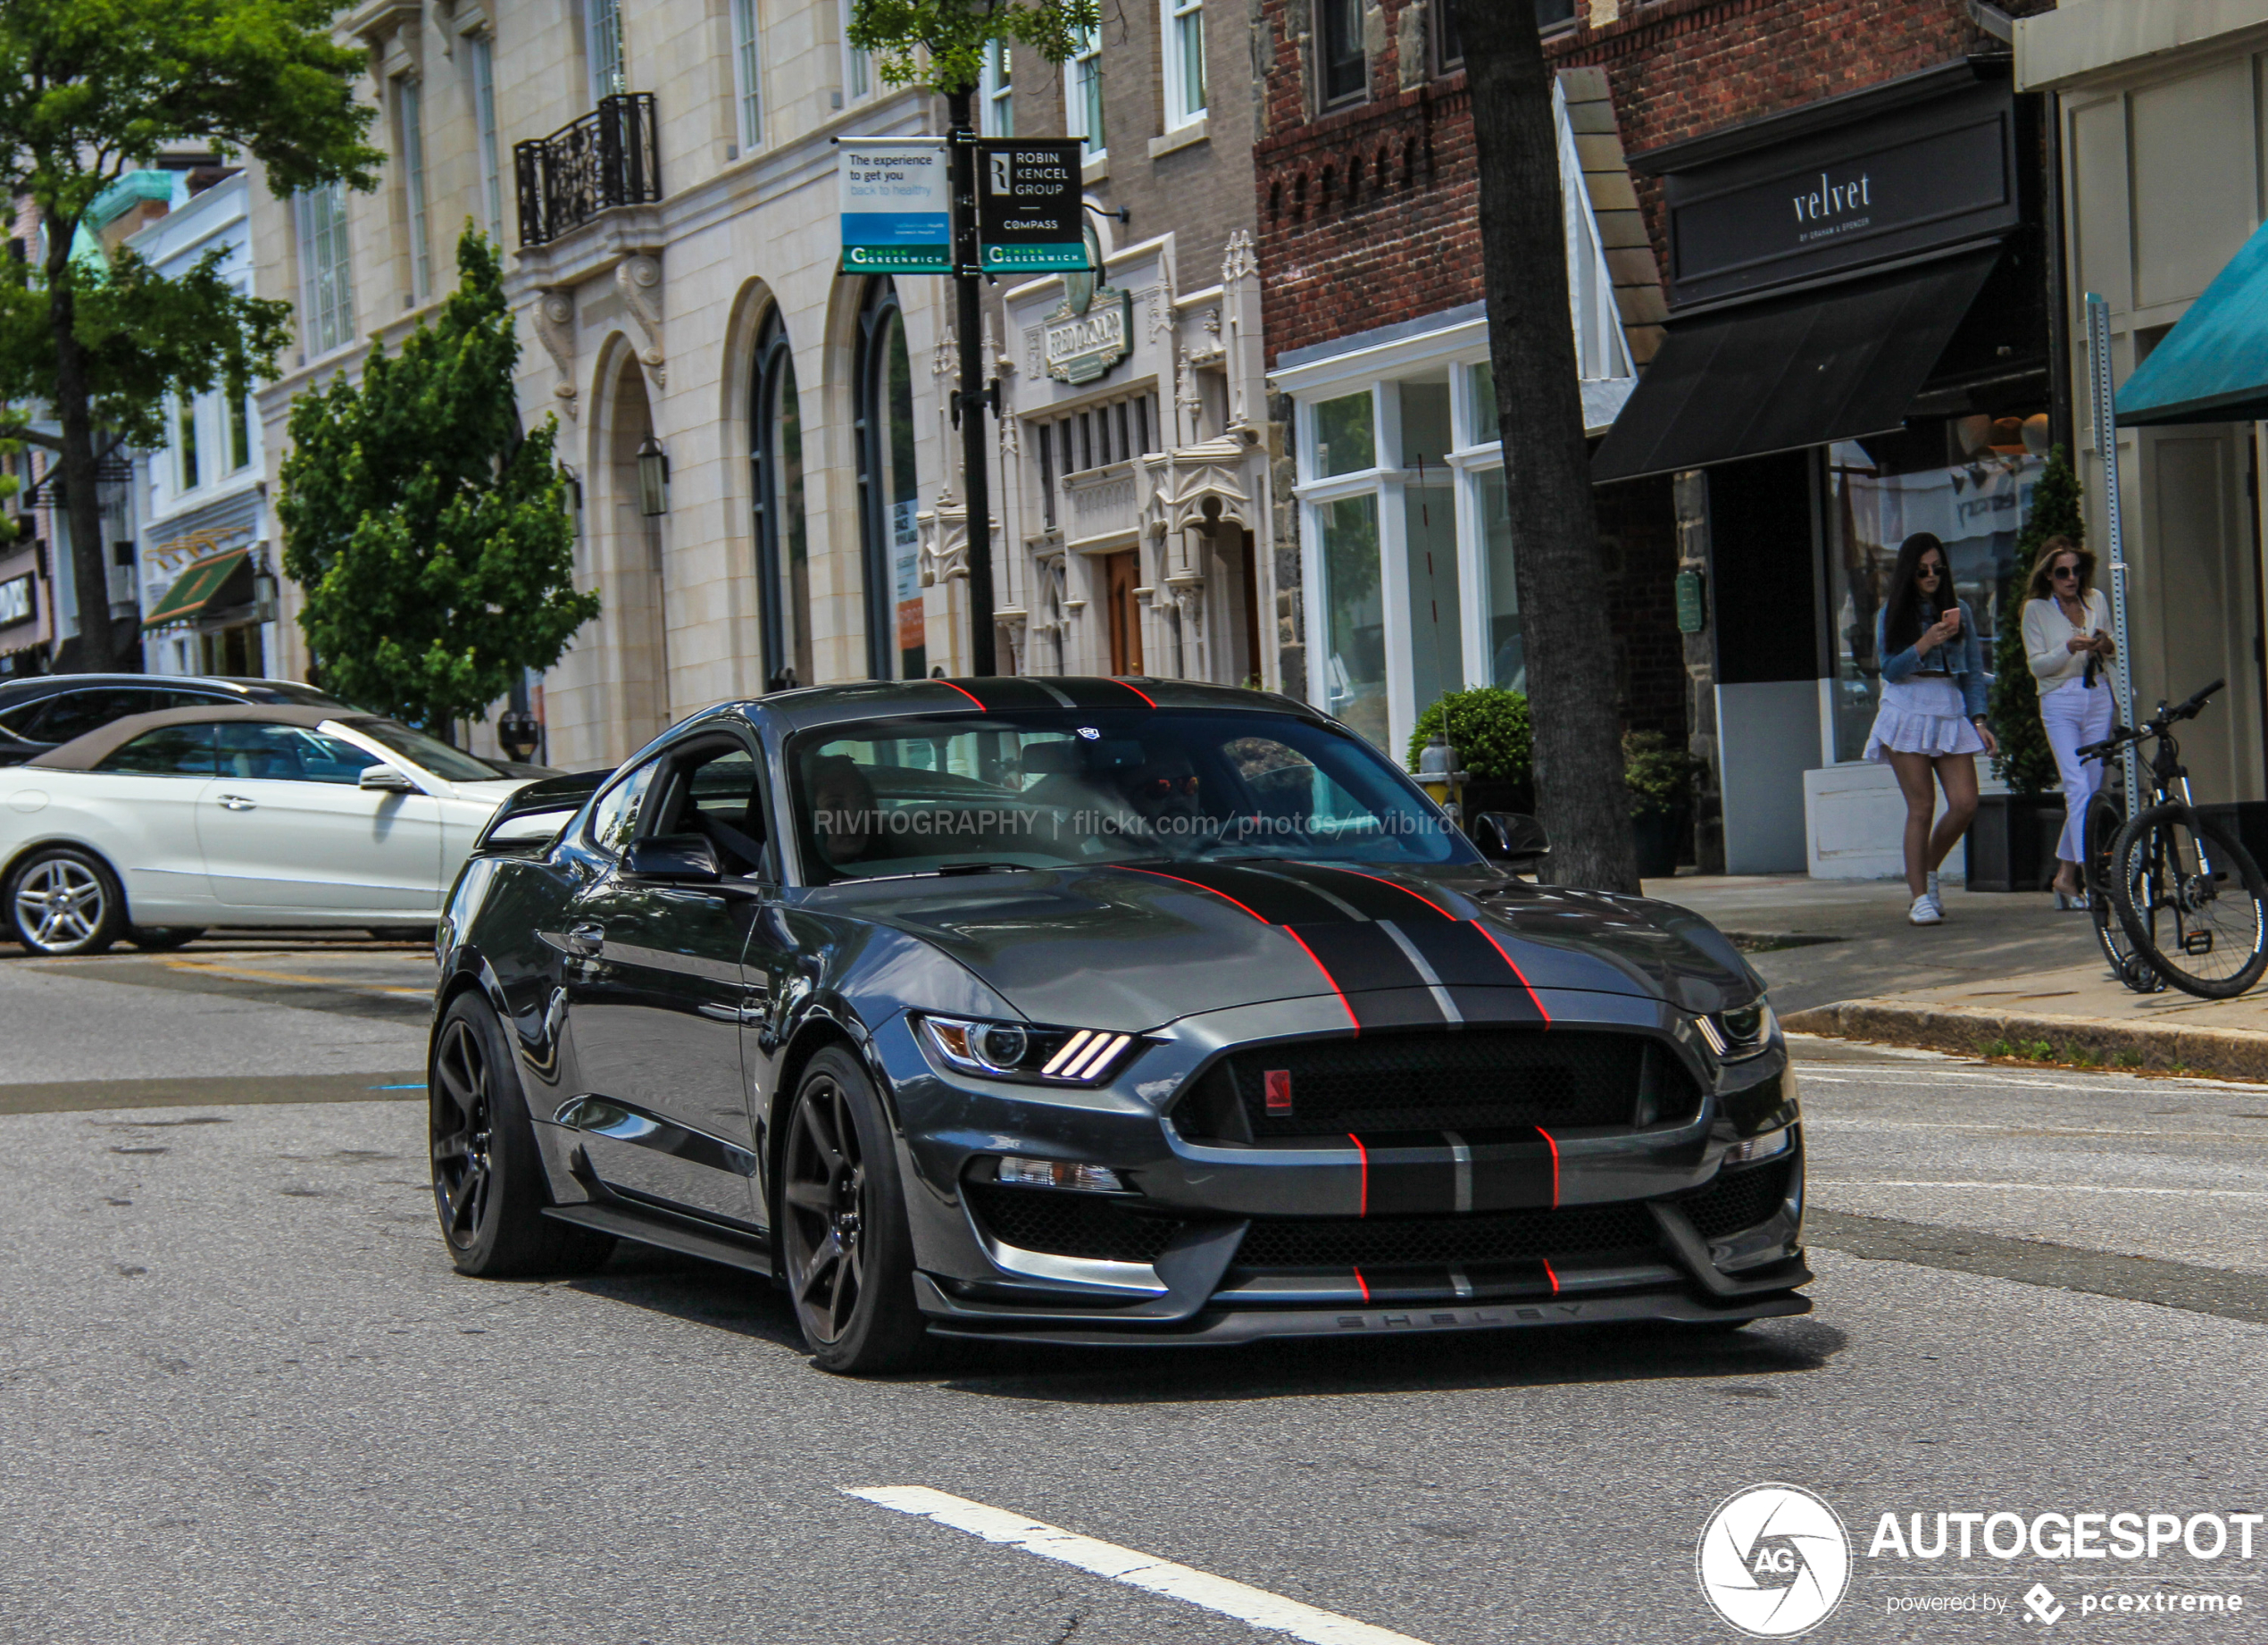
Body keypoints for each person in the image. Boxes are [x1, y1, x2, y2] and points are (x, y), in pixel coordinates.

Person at [1865, 531, 1999, 926]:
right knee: (1921, 806)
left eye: (1937, 568)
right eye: (1923, 569)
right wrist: (1924, 643)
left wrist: (1979, 721)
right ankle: (1919, 896)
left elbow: (1973, 672)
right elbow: (1889, 670)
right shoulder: (1889, 613)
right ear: (1909, 571)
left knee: (1964, 803)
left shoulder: (1960, 612)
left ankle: (1927, 870)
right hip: (1907, 705)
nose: (1931, 575)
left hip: (1948, 704)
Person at [2021, 535, 2115, 907]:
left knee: (2089, 791)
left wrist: (2103, 645)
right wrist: (2067, 648)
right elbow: (2037, 665)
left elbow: (2114, 648)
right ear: (2048, 575)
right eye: (2062, 572)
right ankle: (2090, 879)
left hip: (2097, 696)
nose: (2071, 578)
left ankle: (2064, 878)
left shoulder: (2096, 601)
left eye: (2076, 571)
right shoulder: (2036, 610)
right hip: (2059, 701)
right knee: (2076, 787)